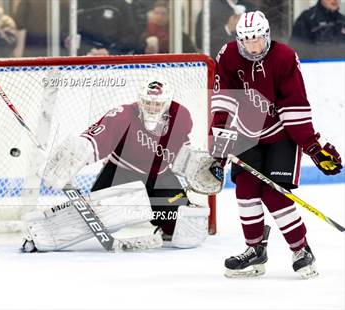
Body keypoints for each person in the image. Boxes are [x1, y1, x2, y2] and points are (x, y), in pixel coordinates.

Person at [210, 11, 342, 279]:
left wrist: (313, 147)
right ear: (239, 40)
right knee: (245, 191)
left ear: (267, 35)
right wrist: (219, 152)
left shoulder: (284, 58)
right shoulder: (228, 56)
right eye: (247, 41)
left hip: (280, 134)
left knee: (274, 193)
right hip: (246, 133)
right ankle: (254, 250)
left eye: (257, 39)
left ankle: (301, 249)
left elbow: (294, 106)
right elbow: (223, 102)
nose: (253, 46)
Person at [22, 77, 213, 252]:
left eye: (158, 103)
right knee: (100, 217)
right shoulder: (123, 115)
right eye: (148, 102)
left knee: (184, 226)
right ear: (139, 99)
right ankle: (44, 233)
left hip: (161, 177)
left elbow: (181, 150)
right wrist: (70, 159)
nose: (153, 107)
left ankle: (167, 225)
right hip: (121, 174)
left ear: (168, 101)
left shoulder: (181, 116)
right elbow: (92, 141)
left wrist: (197, 168)